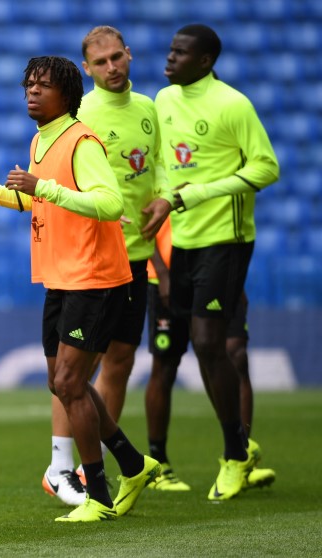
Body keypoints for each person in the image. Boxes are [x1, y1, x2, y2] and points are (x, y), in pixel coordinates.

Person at [0, 55, 160, 522]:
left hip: (92, 275)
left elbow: (109, 202)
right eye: (28, 86)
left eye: (42, 86)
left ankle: (98, 495)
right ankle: (134, 464)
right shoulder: (42, 139)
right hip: (59, 275)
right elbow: (31, 198)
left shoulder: (82, 142)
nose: (32, 93)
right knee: (61, 383)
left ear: (67, 94)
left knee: (69, 383)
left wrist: (45, 186)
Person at [141, 24, 279, 501]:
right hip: (181, 242)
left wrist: (191, 194)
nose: (169, 58)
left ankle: (234, 457)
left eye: (180, 53)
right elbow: (161, 162)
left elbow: (266, 167)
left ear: (205, 61)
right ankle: (232, 450)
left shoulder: (232, 104)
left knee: (208, 342)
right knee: (184, 349)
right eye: (170, 50)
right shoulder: (161, 100)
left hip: (227, 236)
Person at [41, 26, 171, 507]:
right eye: (101, 62)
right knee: (73, 373)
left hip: (136, 255)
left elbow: (156, 164)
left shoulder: (149, 108)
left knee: (118, 362)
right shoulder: (81, 117)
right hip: (93, 260)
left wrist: (161, 196)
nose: (113, 67)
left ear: (129, 55)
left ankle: (91, 466)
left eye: (118, 57)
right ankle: (62, 465)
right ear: (88, 69)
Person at [145, 217, 276, 491]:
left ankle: (239, 456)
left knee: (236, 355)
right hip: (168, 276)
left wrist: (235, 278)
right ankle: (159, 462)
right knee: (165, 366)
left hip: (218, 270)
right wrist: (162, 271)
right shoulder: (158, 171)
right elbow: (143, 216)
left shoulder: (216, 175)